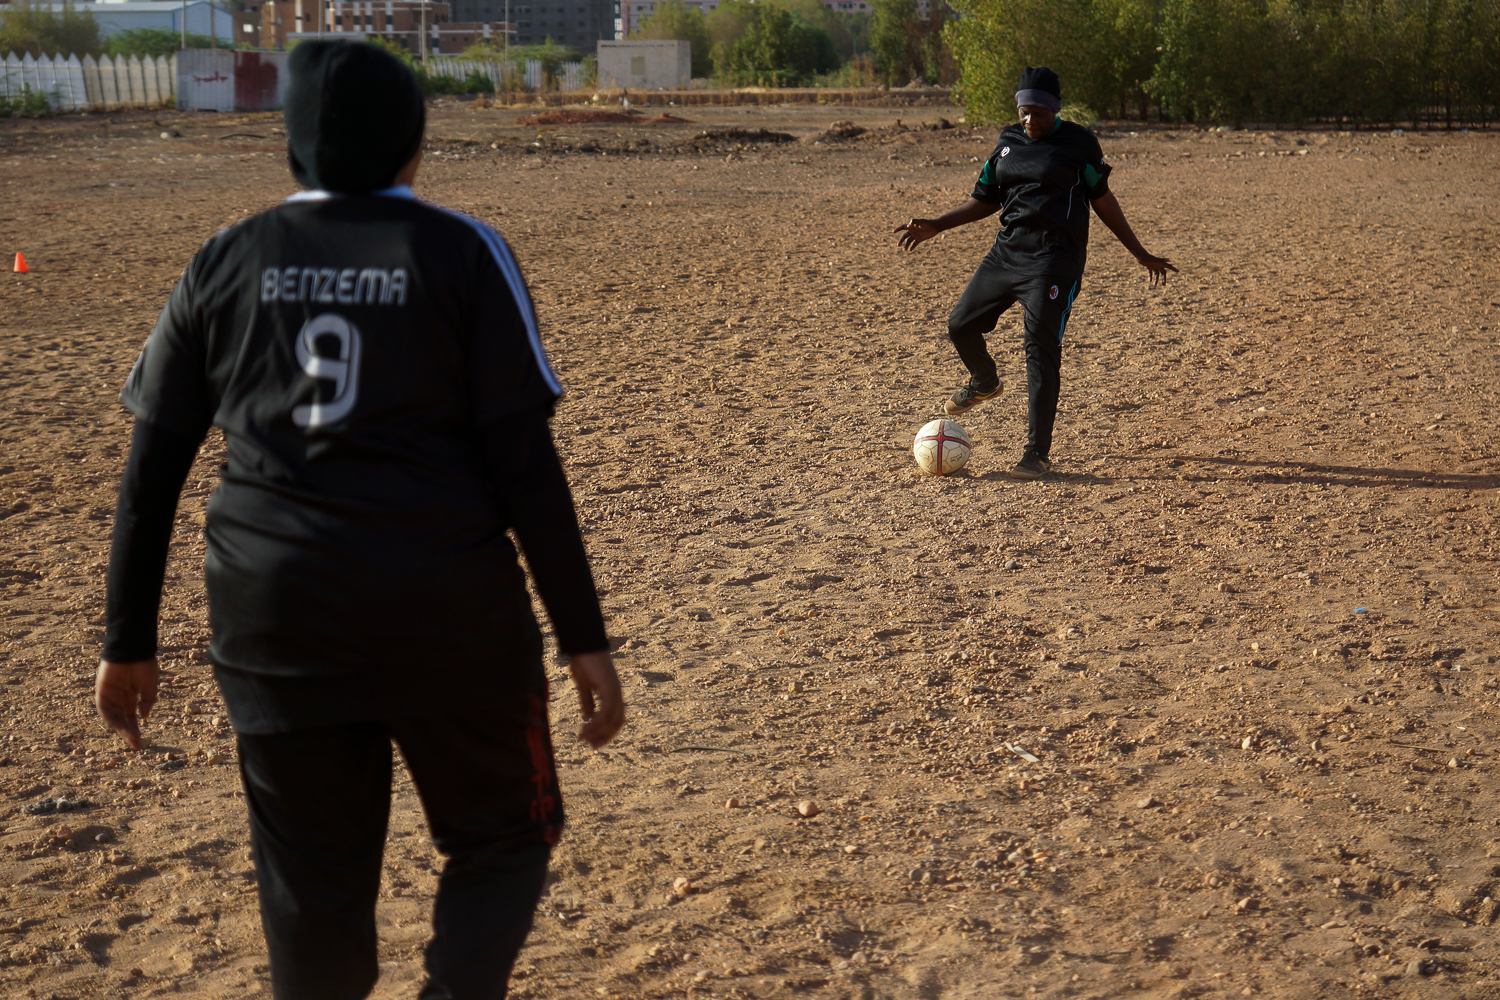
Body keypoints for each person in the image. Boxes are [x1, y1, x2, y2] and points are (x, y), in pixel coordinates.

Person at [93, 40, 624, 1000]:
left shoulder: (224, 259)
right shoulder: (464, 252)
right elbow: (524, 467)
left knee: (314, 892)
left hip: (275, 615)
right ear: (415, 146)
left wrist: (127, 639)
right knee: (503, 839)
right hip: (448, 613)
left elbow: (151, 470)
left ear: (289, 148)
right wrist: (583, 637)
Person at [895, 65, 1177, 480]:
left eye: (1038, 113)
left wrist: (1138, 251)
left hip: (1055, 263)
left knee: (1039, 352)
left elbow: (1103, 200)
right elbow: (984, 199)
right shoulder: (1007, 141)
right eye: (1024, 112)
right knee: (959, 324)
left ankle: (1036, 453)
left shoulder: (1080, 143)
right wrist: (937, 224)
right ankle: (985, 381)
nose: (1029, 121)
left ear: (1055, 109)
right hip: (1007, 255)